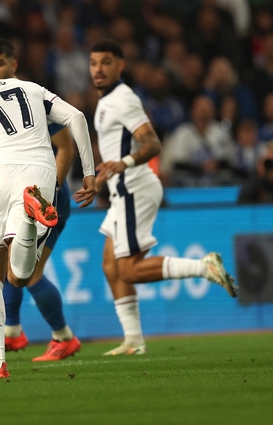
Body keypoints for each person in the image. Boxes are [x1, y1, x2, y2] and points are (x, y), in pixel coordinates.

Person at [0, 36, 98, 380]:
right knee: (21, 275)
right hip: (39, 174)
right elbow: (76, 117)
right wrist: (89, 174)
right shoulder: (29, 88)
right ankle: (29, 222)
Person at [89, 39, 237, 356]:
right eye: (93, 63)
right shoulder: (106, 101)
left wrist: (123, 163)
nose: (98, 69)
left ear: (120, 65)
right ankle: (133, 340)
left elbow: (153, 144)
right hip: (121, 189)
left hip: (134, 186)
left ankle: (204, 267)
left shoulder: (124, 99)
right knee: (110, 265)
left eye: (105, 62)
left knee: (128, 269)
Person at [0, 38, 82, 362]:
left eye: (2, 64)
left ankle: (64, 337)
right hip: (9, 190)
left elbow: (65, 148)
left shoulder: (32, 97)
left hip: (42, 196)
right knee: (7, 265)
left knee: (28, 272)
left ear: (13, 65)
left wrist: (50, 191)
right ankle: (13, 334)